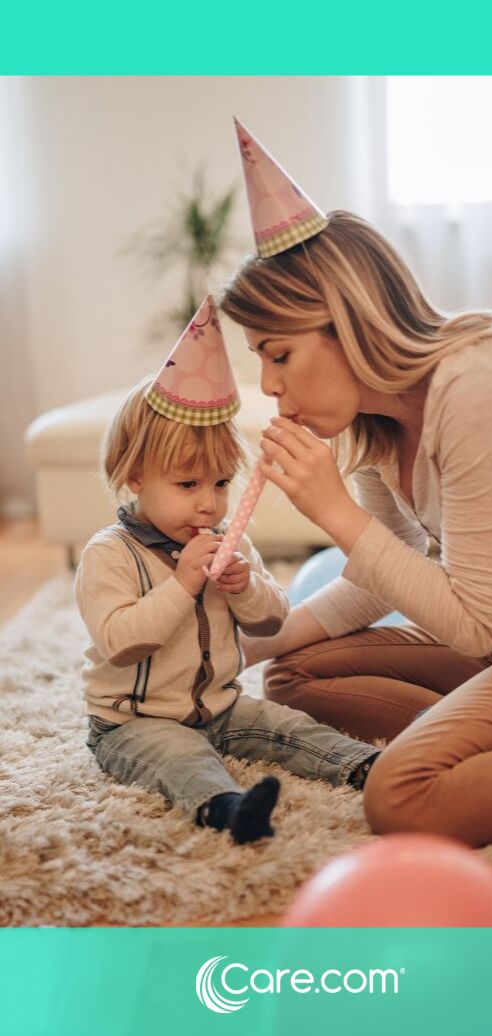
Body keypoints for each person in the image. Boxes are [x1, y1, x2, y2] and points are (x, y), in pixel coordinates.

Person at [219, 120, 492, 847]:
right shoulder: (378, 417)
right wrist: (238, 653)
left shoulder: (481, 387)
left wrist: (334, 513)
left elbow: (473, 623)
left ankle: (486, 751)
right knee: (292, 676)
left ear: (348, 322)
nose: (268, 386)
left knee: (403, 792)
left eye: (280, 355)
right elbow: (379, 579)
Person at [75, 296, 380, 845]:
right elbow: (122, 642)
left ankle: (369, 767)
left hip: (221, 704)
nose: (208, 505)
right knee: (181, 758)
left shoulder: (224, 543)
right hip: (135, 721)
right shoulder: (109, 555)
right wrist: (184, 583)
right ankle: (228, 809)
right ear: (137, 477)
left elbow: (271, 622)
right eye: (188, 485)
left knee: (288, 728)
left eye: (219, 484)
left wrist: (244, 588)